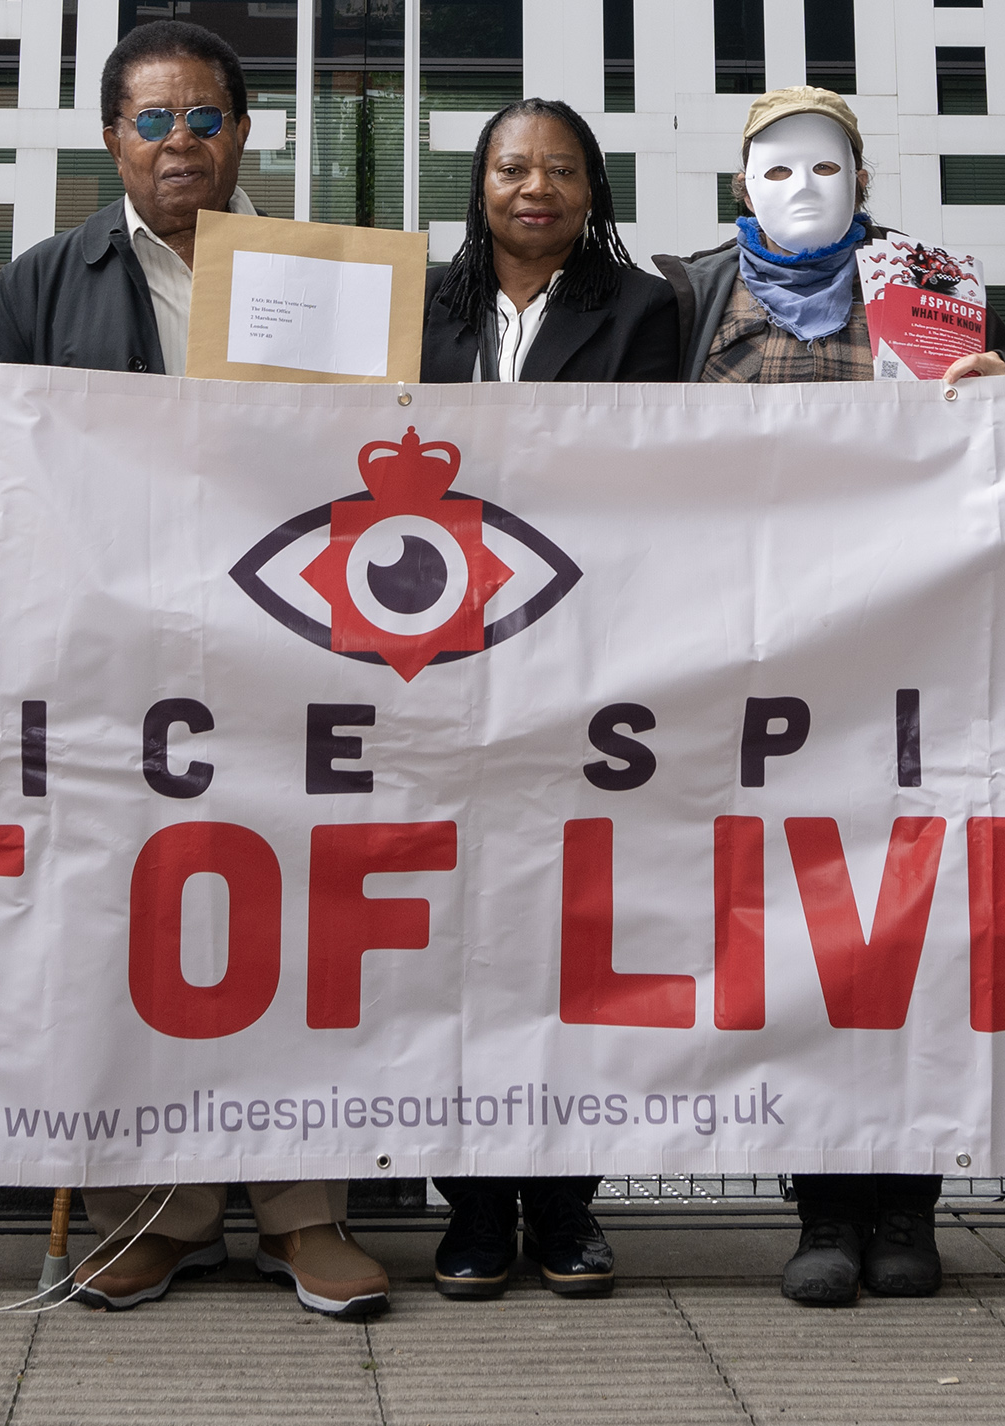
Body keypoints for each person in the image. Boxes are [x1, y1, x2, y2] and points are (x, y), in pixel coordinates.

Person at [0, 18, 397, 1322]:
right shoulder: (48, 276)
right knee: (139, 919)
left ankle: (304, 1209)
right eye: (152, 119)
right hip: (118, 650)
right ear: (112, 137)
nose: (180, 142)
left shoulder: (322, 278)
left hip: (288, 642)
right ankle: (150, 1214)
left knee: (297, 912)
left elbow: (383, 446)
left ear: (244, 130)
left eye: (203, 116)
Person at [658, 85, 1005, 1311]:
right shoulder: (687, 297)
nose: (802, 188)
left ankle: (906, 1202)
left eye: (826, 167)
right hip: (757, 667)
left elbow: (1000, 441)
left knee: (917, 926)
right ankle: (820, 1203)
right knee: (794, 931)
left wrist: (999, 380)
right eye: (775, 168)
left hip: (908, 658)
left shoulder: (932, 283)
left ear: (863, 179)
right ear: (737, 182)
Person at [420, 98, 682, 1302]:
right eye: (514, 166)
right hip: (435, 661)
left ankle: (569, 1203)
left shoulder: (644, 309)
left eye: (562, 169)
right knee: (460, 941)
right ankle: (473, 1207)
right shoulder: (417, 304)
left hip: (585, 658)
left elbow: (673, 475)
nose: (536, 186)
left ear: (594, 189)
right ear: (479, 182)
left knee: (575, 935)